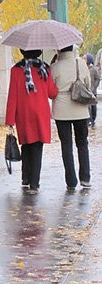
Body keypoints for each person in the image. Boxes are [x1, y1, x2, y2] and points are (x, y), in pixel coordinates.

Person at [5, 49, 58, 194]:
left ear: (22, 52)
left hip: (23, 113)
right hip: (40, 112)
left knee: (26, 143)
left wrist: (10, 120)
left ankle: (26, 177)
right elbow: (52, 93)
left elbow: (12, 96)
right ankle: (34, 183)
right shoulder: (45, 68)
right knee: (37, 147)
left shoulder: (16, 70)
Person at [51, 45, 92, 190]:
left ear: (59, 50)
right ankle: (85, 178)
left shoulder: (55, 67)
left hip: (61, 110)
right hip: (80, 108)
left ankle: (71, 180)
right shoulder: (80, 63)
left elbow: (51, 90)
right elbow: (88, 84)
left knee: (66, 145)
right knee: (82, 143)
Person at [85, 53, 100, 127]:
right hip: (87, 91)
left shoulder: (94, 69)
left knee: (93, 106)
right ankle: (89, 120)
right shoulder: (84, 68)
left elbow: (98, 78)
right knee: (88, 106)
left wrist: (94, 87)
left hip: (93, 91)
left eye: (85, 58)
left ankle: (93, 120)